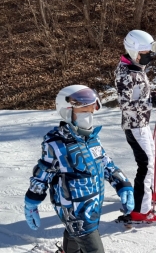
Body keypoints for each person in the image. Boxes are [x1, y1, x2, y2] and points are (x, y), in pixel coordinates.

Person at [24, 85, 134, 253]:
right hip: (75, 212)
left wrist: (123, 184)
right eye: (83, 111)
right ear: (66, 111)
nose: (88, 116)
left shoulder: (92, 139)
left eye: (90, 111)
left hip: (94, 207)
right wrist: (31, 201)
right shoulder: (56, 143)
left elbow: (106, 164)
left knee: (74, 240)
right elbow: (42, 173)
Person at [114, 29, 156, 222]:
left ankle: (148, 193)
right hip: (134, 125)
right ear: (133, 51)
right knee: (145, 165)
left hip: (142, 123)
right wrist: (149, 103)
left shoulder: (136, 67)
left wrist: (152, 97)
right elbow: (124, 104)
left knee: (150, 160)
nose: (148, 57)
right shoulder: (125, 73)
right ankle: (141, 210)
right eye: (145, 54)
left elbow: (140, 93)